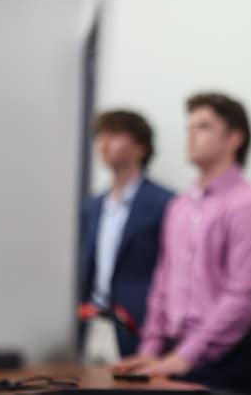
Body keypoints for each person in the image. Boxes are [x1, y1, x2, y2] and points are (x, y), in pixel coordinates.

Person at [111, 92, 251, 395]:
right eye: (189, 127)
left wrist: (184, 357)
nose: (190, 135)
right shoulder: (180, 206)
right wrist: (151, 348)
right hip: (175, 355)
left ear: (234, 138)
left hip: (225, 361)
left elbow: (243, 296)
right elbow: (163, 283)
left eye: (203, 127)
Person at [79, 110, 176, 365]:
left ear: (141, 147)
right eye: (100, 136)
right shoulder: (92, 207)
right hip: (92, 323)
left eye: (114, 135)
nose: (104, 144)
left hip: (139, 326)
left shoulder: (165, 204)